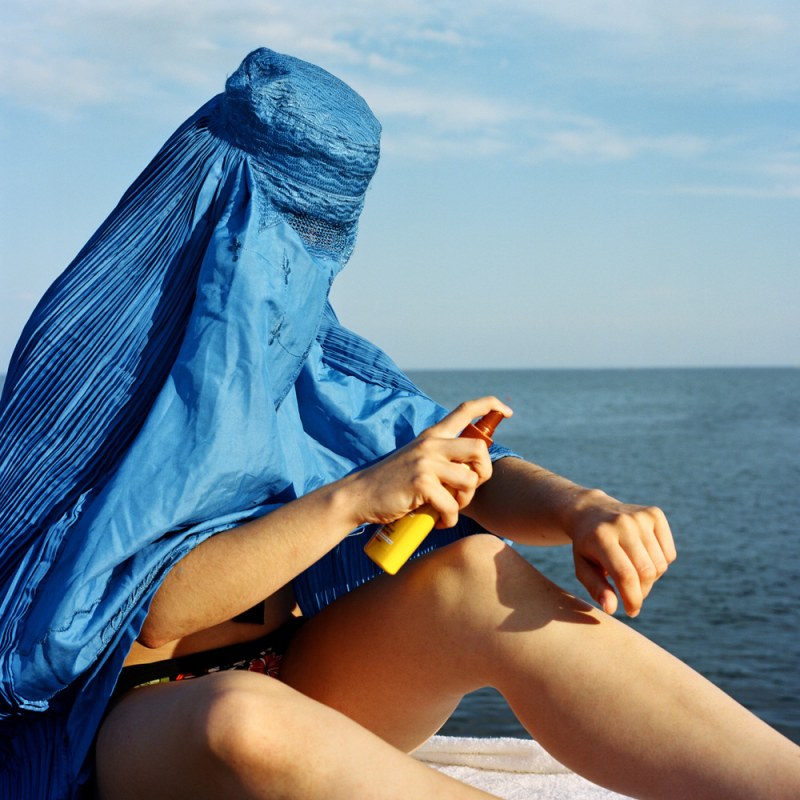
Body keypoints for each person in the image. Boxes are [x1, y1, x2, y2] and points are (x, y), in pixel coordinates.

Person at [0, 48, 797, 800]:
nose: (306, 257)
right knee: (239, 718)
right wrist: (352, 499)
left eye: (328, 234)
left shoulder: (303, 356)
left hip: (294, 673)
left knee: (472, 572)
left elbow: (465, 463)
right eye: (292, 223)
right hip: (118, 731)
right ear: (217, 202)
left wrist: (580, 507)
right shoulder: (98, 372)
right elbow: (152, 609)